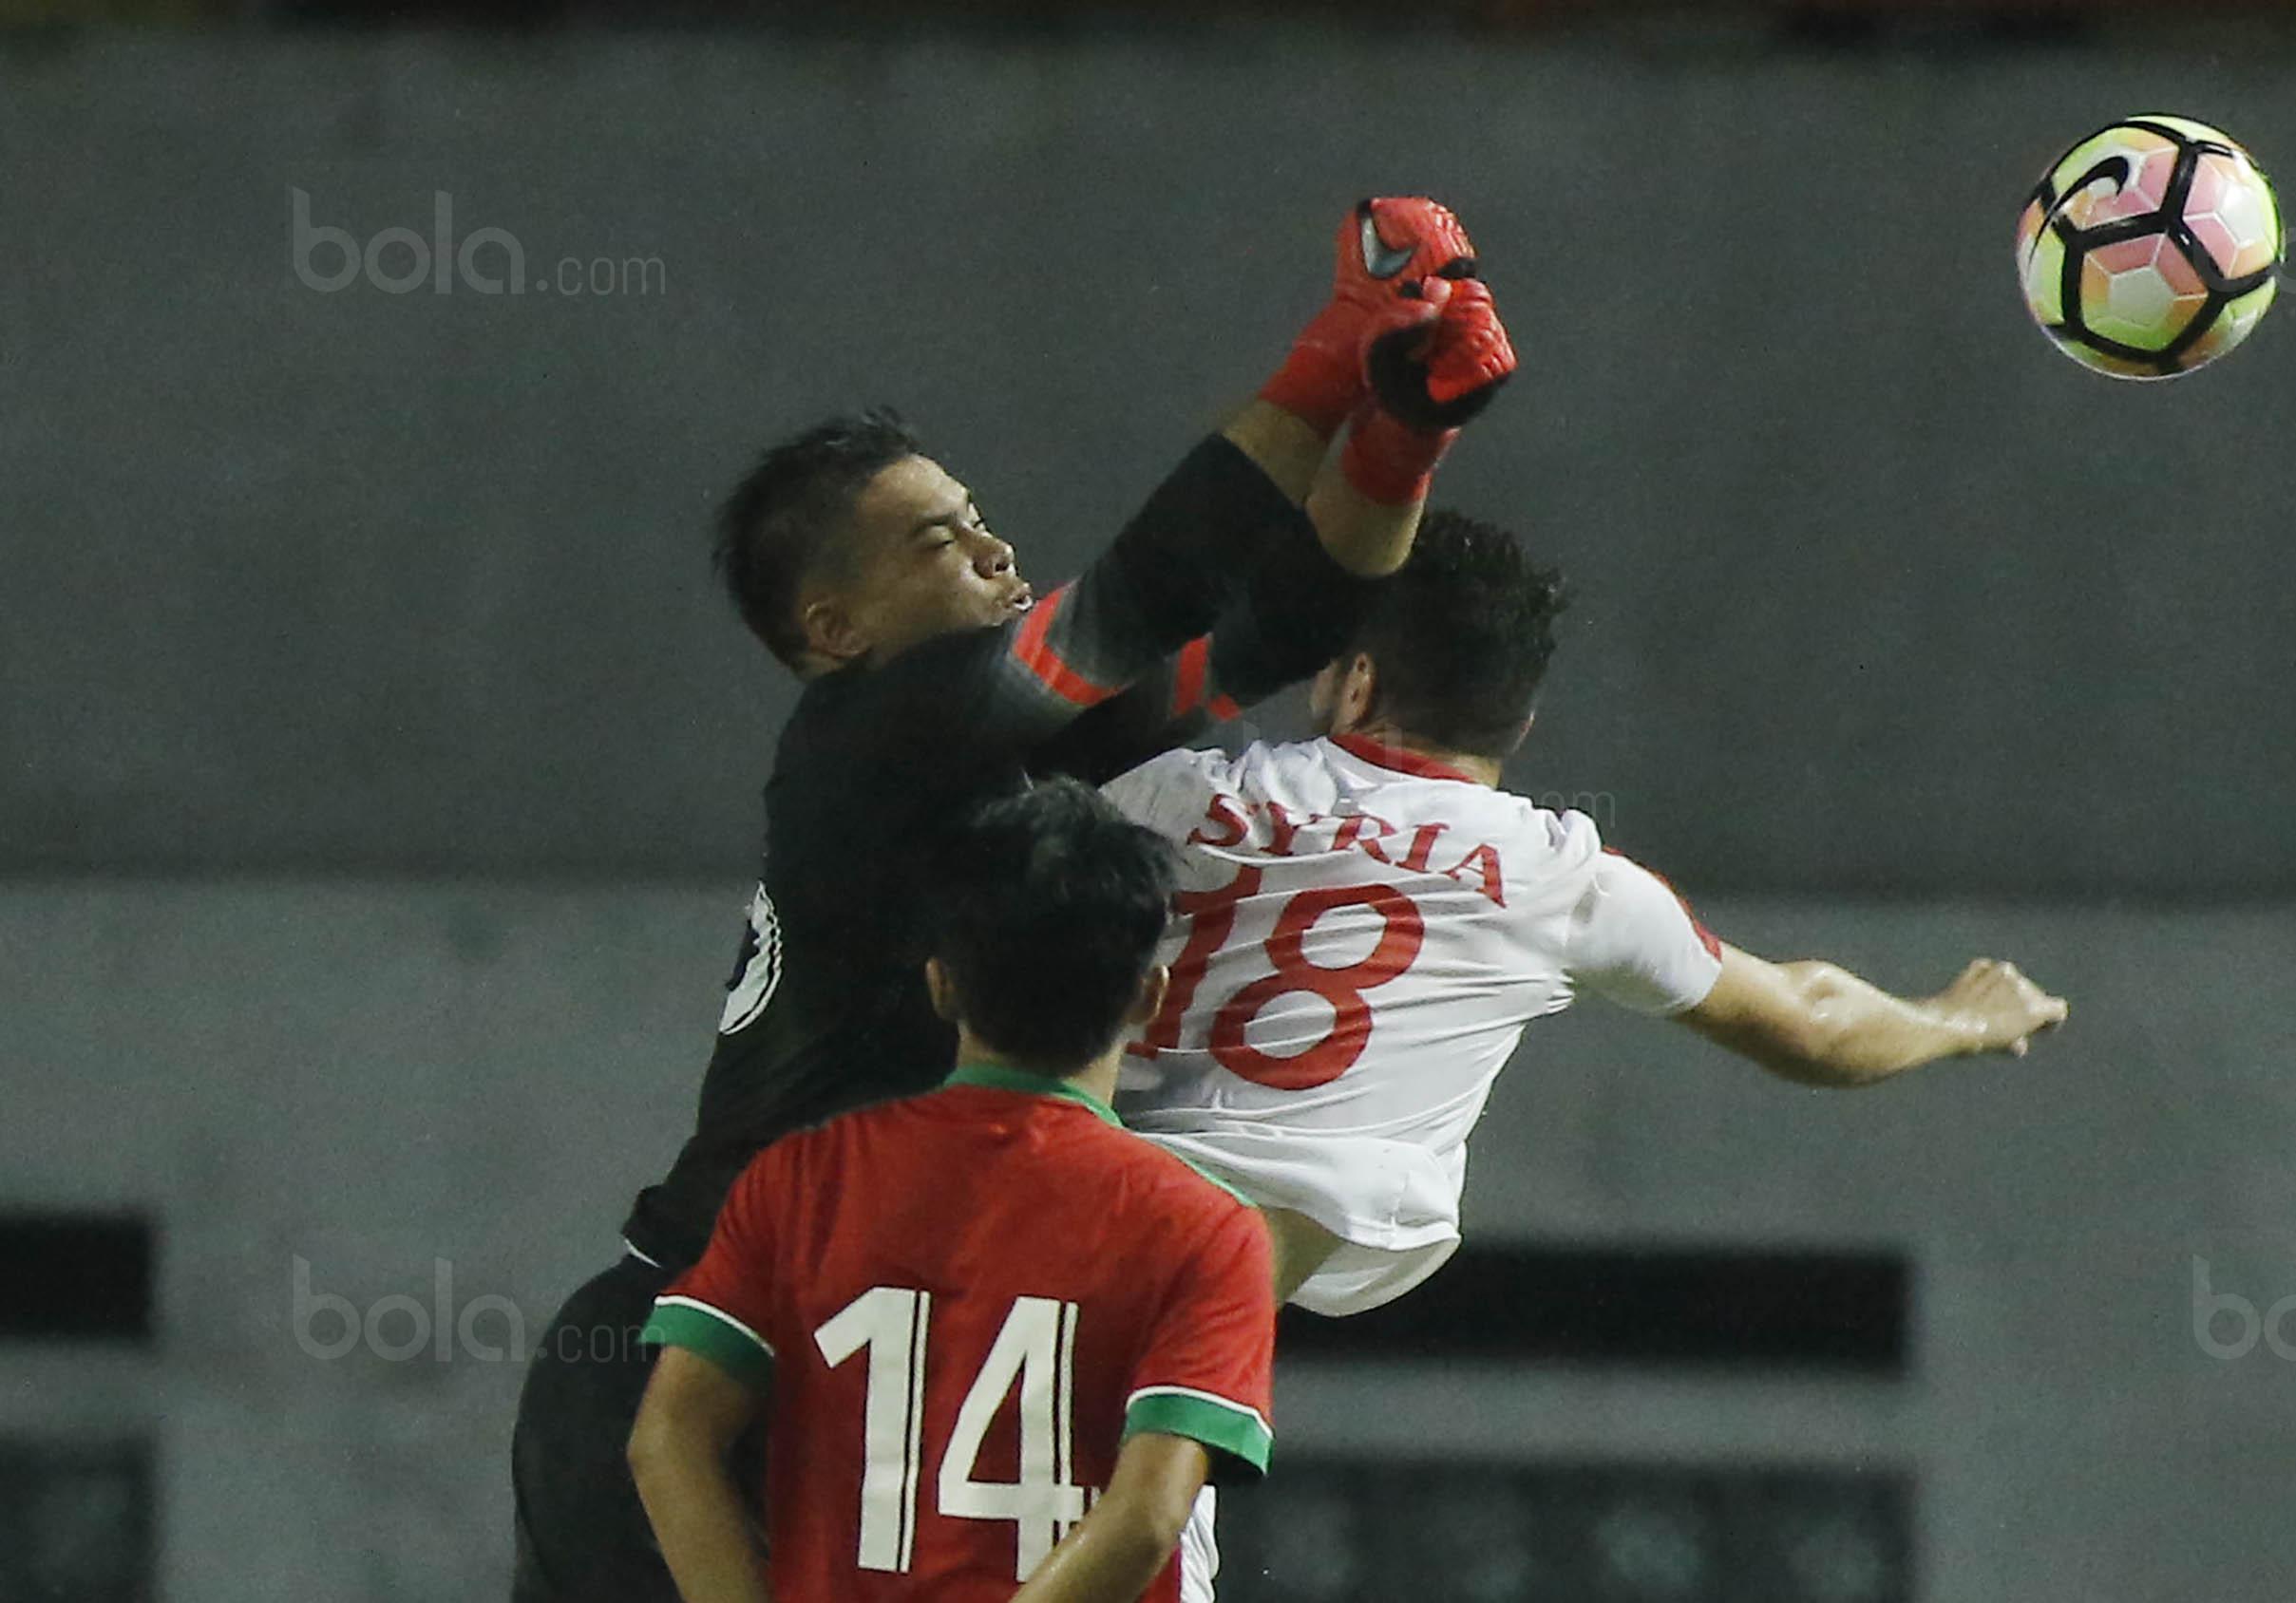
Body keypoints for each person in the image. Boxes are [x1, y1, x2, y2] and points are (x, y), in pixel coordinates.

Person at [511, 198, 1514, 1601]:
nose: (992, 552)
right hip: (691, 1359)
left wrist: (1406, 429)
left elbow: (1286, 618)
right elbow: (1142, 590)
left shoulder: (1010, 743)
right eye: (937, 541)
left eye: (981, 521)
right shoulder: (867, 741)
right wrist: (1336, 353)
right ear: (834, 630)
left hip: (836, 1363)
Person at [1101, 511, 2070, 1313]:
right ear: (1519, 724)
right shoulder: (1561, 878)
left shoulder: (1175, 792)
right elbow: (1812, 1022)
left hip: (1078, 1201)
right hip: (1214, 1280)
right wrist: (1959, 1019)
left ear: (1356, 683)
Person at [629, 780, 1276, 1603]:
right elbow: (1148, 1516)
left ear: (941, 984)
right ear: (1151, 996)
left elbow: (668, 1437)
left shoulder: (803, 1179)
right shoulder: (1207, 1228)